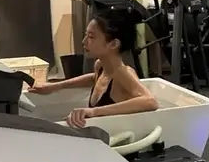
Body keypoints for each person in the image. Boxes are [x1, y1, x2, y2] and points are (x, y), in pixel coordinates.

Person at [29, 7, 158, 128]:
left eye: (91, 37)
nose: (84, 41)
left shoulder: (123, 73)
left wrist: (93, 111)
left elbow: (150, 101)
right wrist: (54, 86)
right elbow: (93, 78)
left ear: (113, 44)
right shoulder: (101, 66)